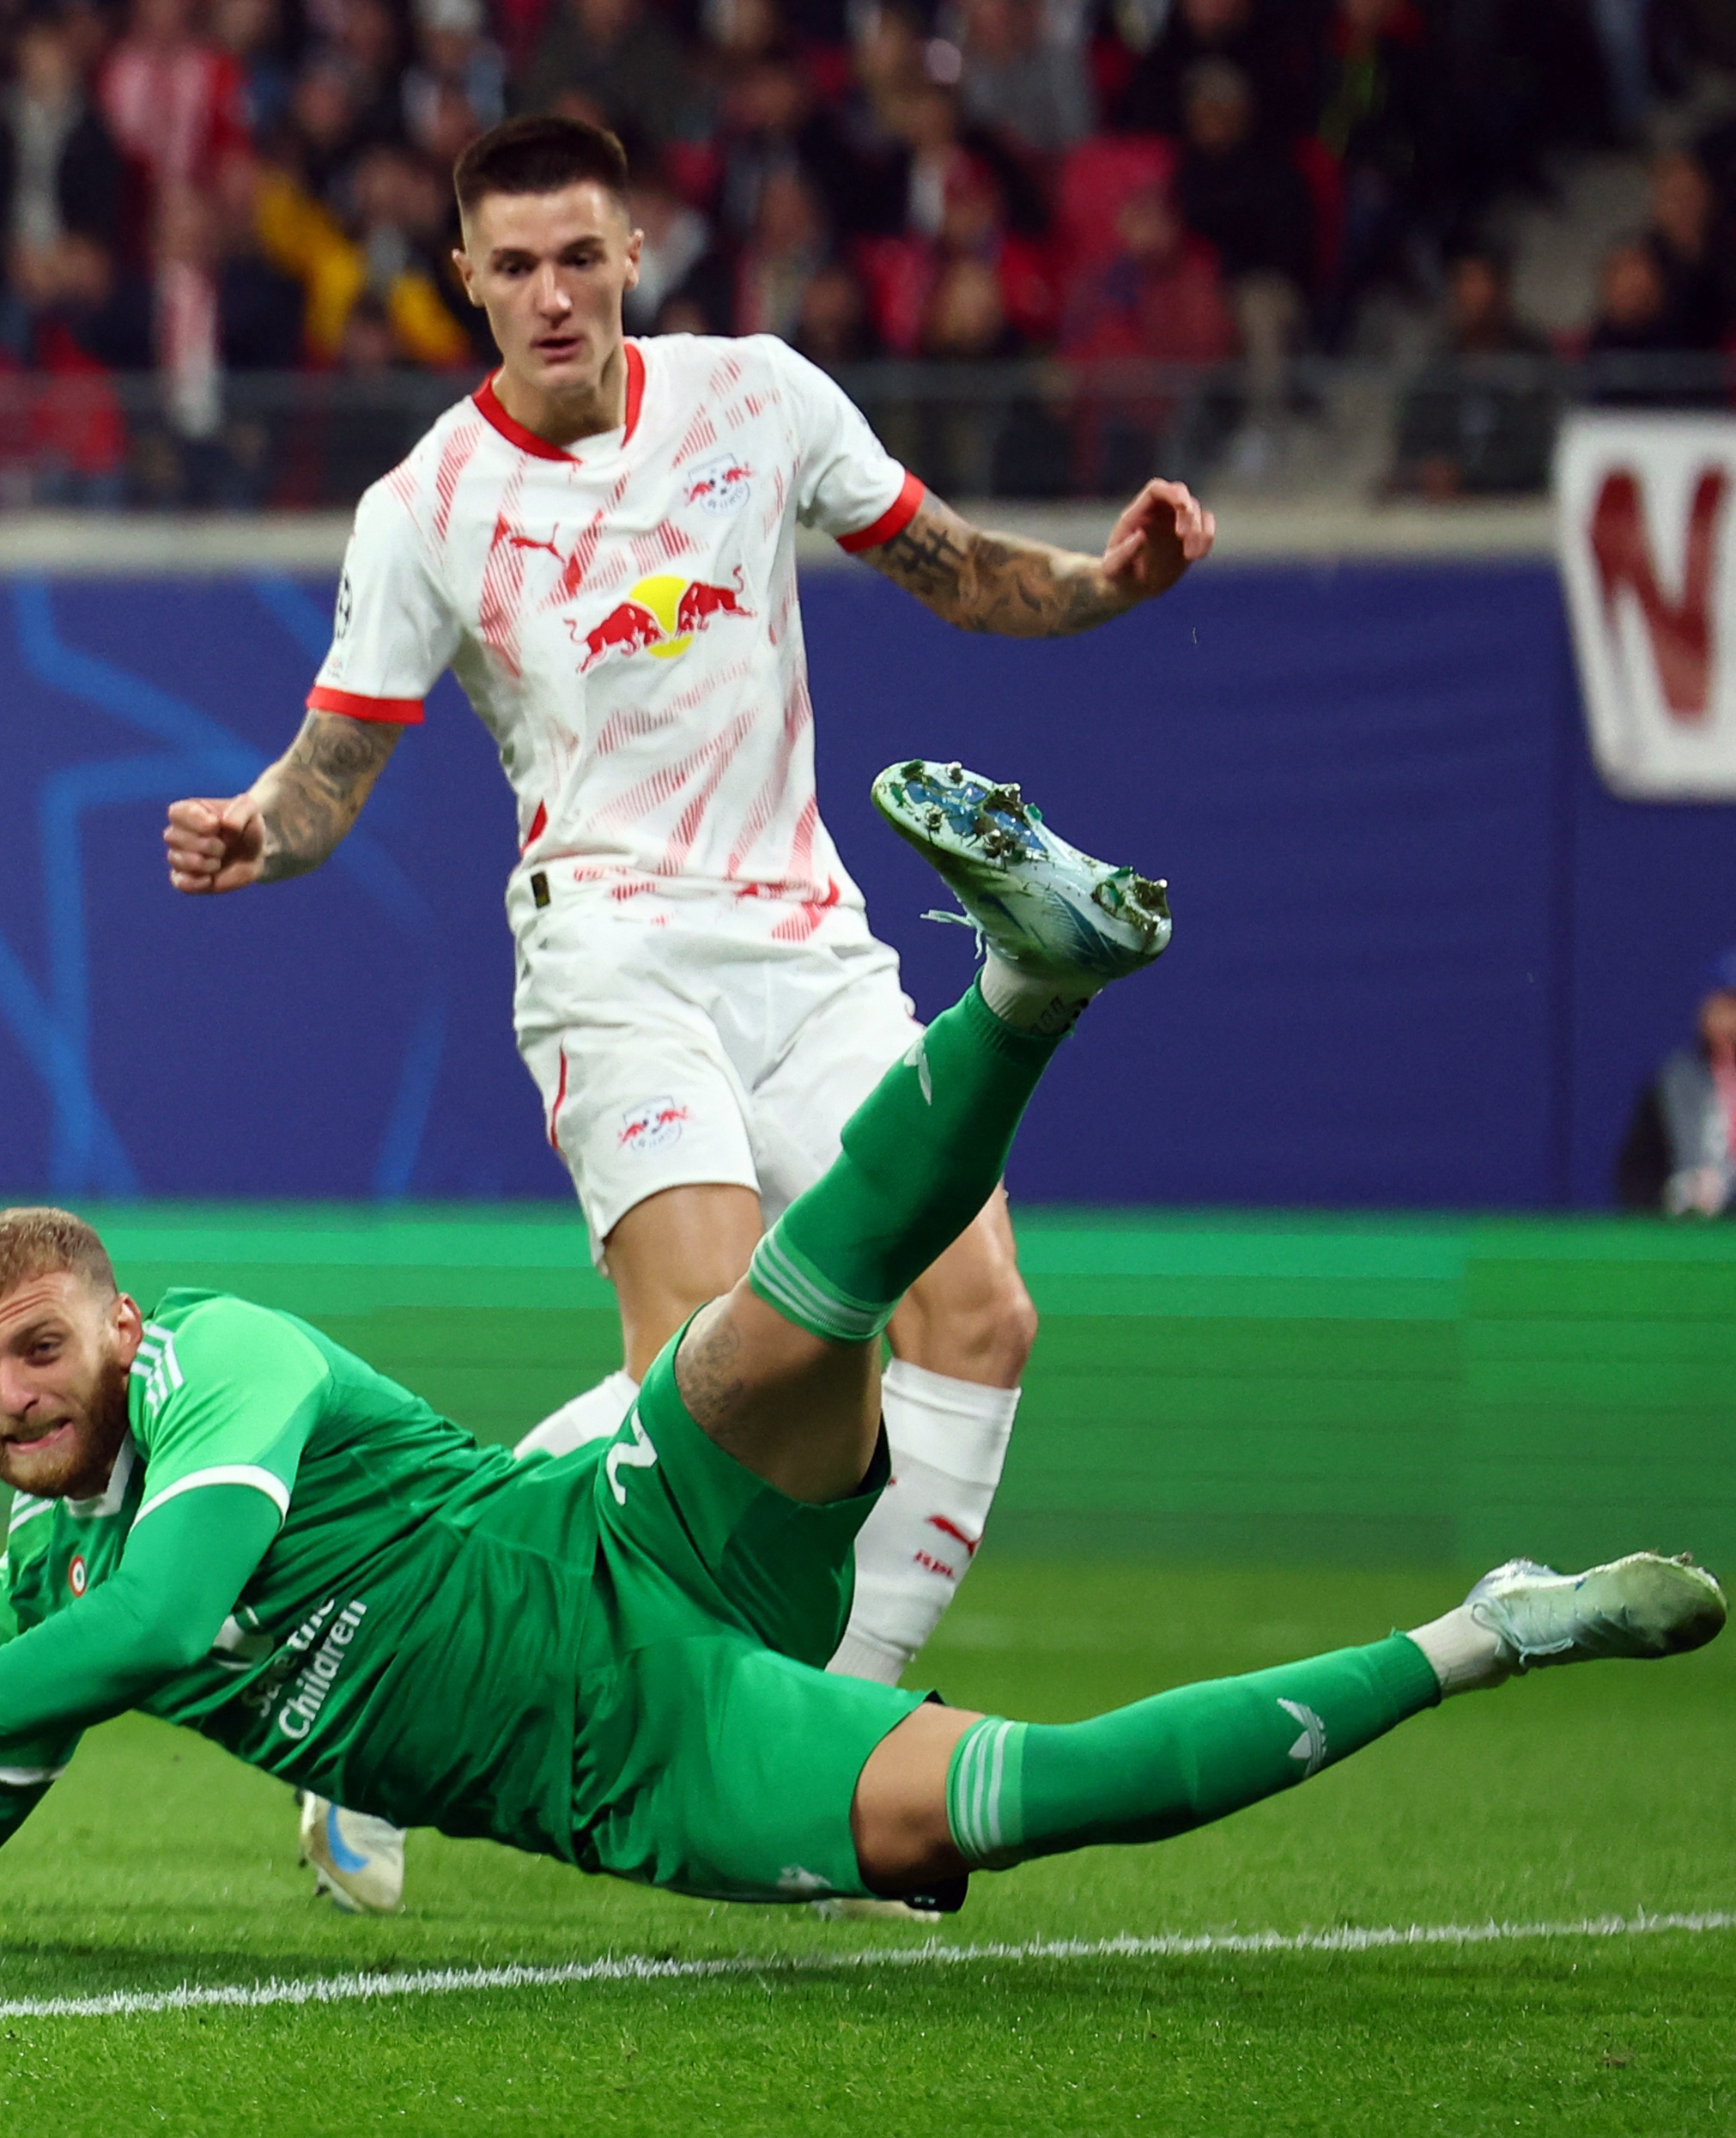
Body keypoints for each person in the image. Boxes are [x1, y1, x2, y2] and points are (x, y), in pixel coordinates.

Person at [0, 766, 1721, 1945]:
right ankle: (1488, 1629)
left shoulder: (229, 1361)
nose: (7, 1393)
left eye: (36, 1347)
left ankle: (1027, 987)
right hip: (645, 1760)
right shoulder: (32, 1598)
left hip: (610, 1533)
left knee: (779, 1321)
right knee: (1032, 1798)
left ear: (119, 1318)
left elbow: (185, 1609)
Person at [159, 114, 1217, 1912]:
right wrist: (264, 828)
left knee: (978, 1319)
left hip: (807, 950)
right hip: (611, 961)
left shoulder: (755, 399)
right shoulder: (425, 507)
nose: (552, 294)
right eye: (514, 266)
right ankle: (382, 1701)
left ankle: (843, 1755)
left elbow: (955, 571)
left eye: (580, 255)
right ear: (465, 284)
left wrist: (1108, 582)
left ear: (631, 247)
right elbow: (333, 770)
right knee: (719, 1381)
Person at [1614, 951, 1736, 1217]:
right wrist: (1675, 1194)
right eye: (1725, 1007)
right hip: (1691, 1230)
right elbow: (1635, 1176)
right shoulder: (1675, 1081)